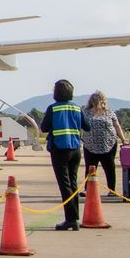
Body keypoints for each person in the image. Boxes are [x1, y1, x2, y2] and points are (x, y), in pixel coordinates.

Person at [41, 79, 89, 230]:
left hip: (59, 149)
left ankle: (71, 219)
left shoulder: (53, 108)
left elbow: (44, 127)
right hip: (75, 149)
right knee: (73, 183)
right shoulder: (76, 108)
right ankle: (74, 218)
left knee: (65, 185)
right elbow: (87, 126)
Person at [80, 91, 124, 198]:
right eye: (98, 101)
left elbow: (116, 126)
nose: (101, 104)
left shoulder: (109, 113)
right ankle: (88, 189)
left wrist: (123, 139)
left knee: (109, 167)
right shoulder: (85, 112)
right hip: (90, 145)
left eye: (102, 101)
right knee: (90, 168)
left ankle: (111, 190)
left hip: (108, 145)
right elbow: (79, 126)